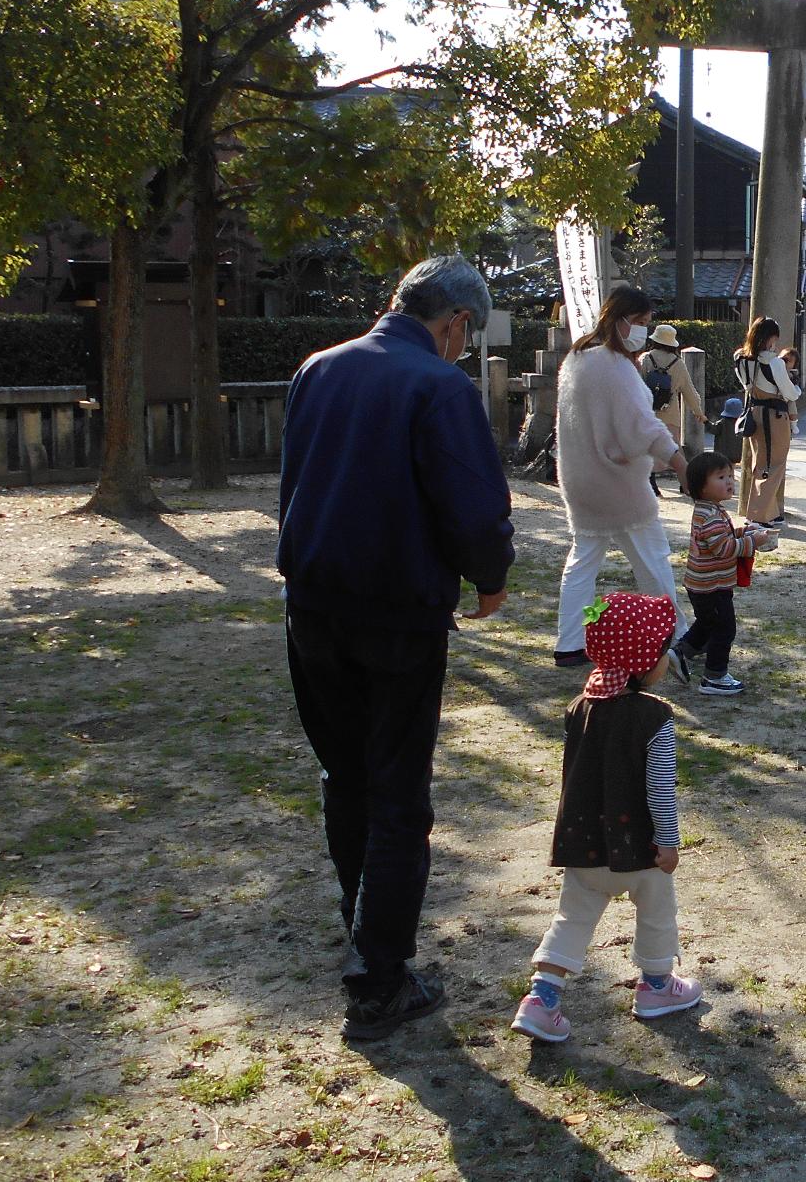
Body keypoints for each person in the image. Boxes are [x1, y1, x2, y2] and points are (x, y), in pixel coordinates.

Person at [278, 254, 516, 1040]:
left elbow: (293, 486)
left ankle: (364, 935)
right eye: (465, 333)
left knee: (343, 774)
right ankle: (379, 976)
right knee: (397, 790)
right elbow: (473, 507)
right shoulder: (440, 386)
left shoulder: (318, 368)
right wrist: (491, 579)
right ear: (453, 323)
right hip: (395, 612)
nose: (462, 344)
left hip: (311, 604)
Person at [509, 592, 704, 1043]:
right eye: (663, 653)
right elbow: (660, 788)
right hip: (642, 851)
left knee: (572, 918)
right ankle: (657, 986)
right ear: (644, 664)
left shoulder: (578, 708)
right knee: (657, 911)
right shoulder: (655, 718)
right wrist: (668, 842)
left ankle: (542, 997)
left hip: (584, 844)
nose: (666, 662)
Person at [553, 285, 690, 667]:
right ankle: (675, 636)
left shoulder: (576, 359)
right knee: (653, 560)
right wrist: (681, 464)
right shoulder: (616, 367)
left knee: (582, 561)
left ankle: (570, 642)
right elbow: (642, 428)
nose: (643, 331)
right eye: (641, 323)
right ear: (620, 320)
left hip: (580, 480)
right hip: (620, 485)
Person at [673, 451, 776, 696]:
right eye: (721, 477)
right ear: (702, 487)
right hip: (711, 585)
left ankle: (678, 653)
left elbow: (723, 538)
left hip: (703, 584)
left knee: (708, 623)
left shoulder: (711, 509)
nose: (729, 481)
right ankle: (714, 677)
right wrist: (755, 542)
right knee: (724, 629)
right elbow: (723, 549)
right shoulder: (709, 515)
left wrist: (743, 532)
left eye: (730, 475)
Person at [732, 316, 800, 525]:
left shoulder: (740, 359)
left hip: (754, 412)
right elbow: (791, 394)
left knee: (760, 462)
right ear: (770, 337)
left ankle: (771, 513)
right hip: (774, 415)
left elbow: (746, 385)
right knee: (775, 464)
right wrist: (795, 388)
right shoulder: (774, 362)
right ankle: (759, 516)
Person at [639, 324, 702, 447]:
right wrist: (698, 412)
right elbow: (689, 391)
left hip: (646, 414)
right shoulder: (678, 363)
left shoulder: (645, 358)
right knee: (672, 453)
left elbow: (635, 386)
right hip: (670, 416)